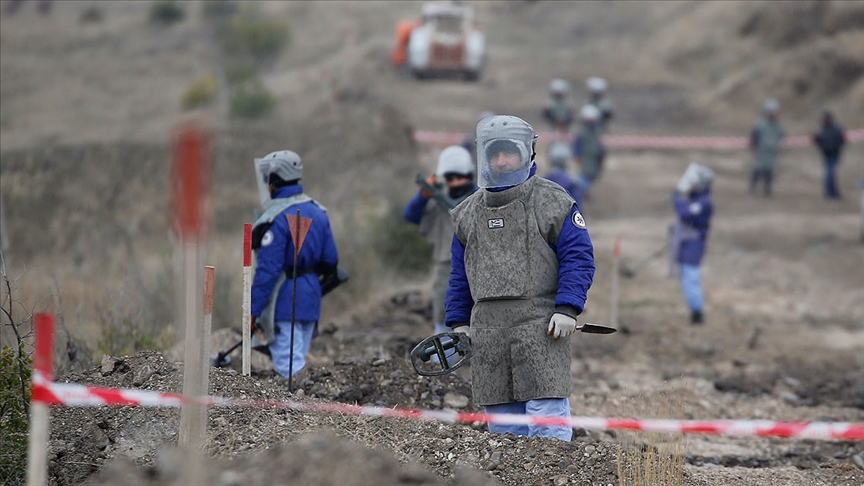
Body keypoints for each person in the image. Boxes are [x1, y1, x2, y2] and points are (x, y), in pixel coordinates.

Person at [445, 115, 595, 441]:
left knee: (546, 419)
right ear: (484, 155)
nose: (501, 160)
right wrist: (458, 322)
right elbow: (459, 273)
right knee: (503, 429)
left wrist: (567, 308)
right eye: (495, 153)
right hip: (486, 330)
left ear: (526, 153)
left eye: (509, 152)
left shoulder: (553, 202)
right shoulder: (467, 214)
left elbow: (578, 258)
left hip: (541, 326)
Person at [250, 150, 340, 378]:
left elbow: (268, 270)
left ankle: (295, 413)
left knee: (288, 370)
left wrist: (252, 311)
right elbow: (330, 260)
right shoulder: (319, 212)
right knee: (297, 364)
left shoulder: (277, 217)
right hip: (311, 298)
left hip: (284, 301)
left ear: (274, 180)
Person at [403, 145, 478, 353]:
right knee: (444, 319)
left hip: (479, 266)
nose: (455, 183)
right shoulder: (438, 203)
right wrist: (426, 192)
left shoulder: (479, 198)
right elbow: (411, 214)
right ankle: (445, 370)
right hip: (446, 266)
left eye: (460, 177)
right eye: (451, 178)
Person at [669, 163, 714, 325]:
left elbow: (686, 213)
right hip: (688, 244)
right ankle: (695, 310)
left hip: (694, 245)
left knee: (690, 278)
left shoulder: (704, 202)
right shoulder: (696, 198)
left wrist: (678, 199)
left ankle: (697, 313)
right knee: (686, 278)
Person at [749, 98, 785, 197]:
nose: (772, 114)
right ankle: (753, 187)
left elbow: (781, 136)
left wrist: (779, 146)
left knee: (769, 171)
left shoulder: (778, 125)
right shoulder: (760, 124)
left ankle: (767, 189)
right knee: (758, 169)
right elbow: (754, 135)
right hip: (762, 150)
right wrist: (753, 145)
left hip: (772, 151)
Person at [572, 104, 606, 202]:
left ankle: (585, 192)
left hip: (594, 160)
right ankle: (582, 194)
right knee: (584, 177)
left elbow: (600, 145)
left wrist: (601, 156)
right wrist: (577, 156)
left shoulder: (597, 131)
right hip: (585, 159)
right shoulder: (582, 133)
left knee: (592, 176)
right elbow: (577, 145)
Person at [812, 110, 846, 200]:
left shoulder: (835, 129)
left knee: (829, 174)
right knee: (829, 174)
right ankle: (831, 192)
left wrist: (837, 149)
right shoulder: (823, 130)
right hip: (827, 155)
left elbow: (842, 140)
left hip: (834, 154)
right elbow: (819, 141)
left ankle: (830, 192)